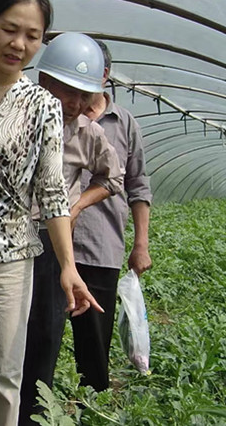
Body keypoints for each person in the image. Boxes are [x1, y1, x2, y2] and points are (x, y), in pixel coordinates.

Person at [0, 0, 103, 426]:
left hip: (10, 261)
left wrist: (68, 266)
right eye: (10, 29)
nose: (19, 44)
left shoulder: (43, 106)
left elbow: (52, 192)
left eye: (32, 35)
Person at [19, 32, 124, 424]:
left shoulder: (88, 132)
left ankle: (32, 413)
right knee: (4, 332)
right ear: (44, 81)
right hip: (7, 235)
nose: (77, 103)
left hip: (50, 240)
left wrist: (75, 204)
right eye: (69, 91)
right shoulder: (18, 115)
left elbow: (113, 178)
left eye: (85, 95)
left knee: (44, 333)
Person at [68, 40, 152, 391]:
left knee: (94, 346)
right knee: (38, 334)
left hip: (101, 247)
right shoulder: (59, 113)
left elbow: (138, 185)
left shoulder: (124, 123)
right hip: (50, 246)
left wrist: (141, 244)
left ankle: (92, 405)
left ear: (104, 75)